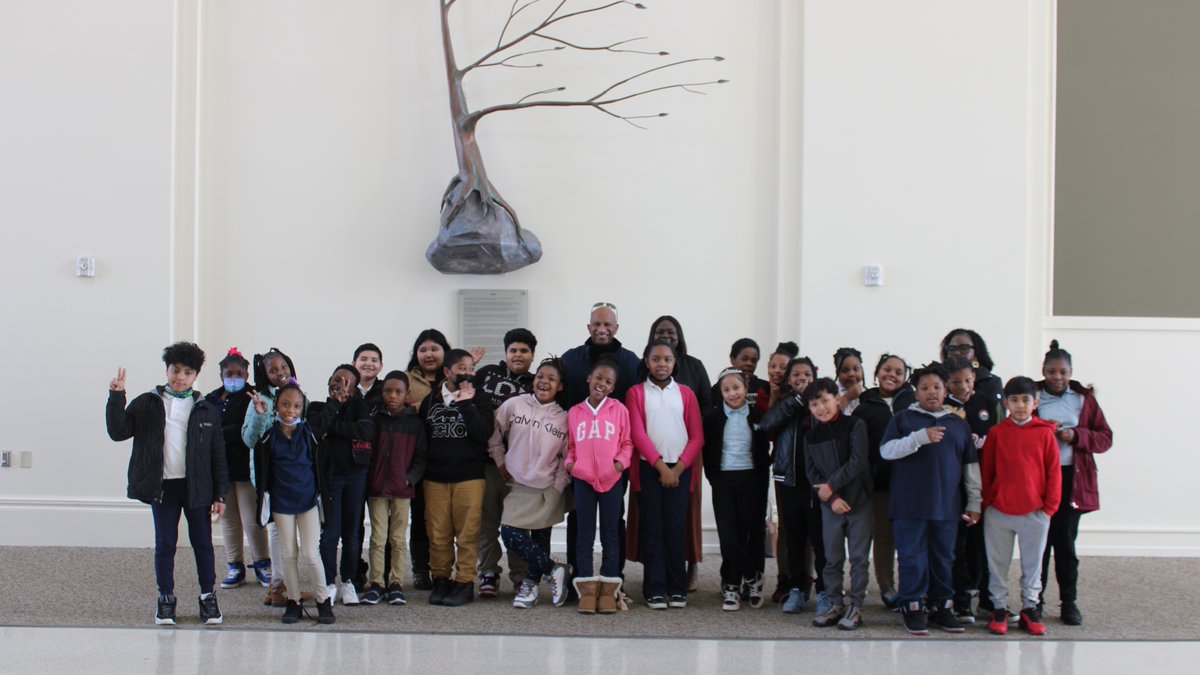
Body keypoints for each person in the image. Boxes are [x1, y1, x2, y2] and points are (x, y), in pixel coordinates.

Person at [105, 342, 228, 626]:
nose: (180, 377)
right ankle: (165, 598)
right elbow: (118, 431)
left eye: (188, 372)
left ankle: (207, 596)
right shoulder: (147, 403)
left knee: (203, 543)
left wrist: (220, 494)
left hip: (197, 487)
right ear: (167, 370)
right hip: (163, 487)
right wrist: (116, 396)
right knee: (165, 544)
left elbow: (218, 455)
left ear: (195, 376)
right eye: (175, 370)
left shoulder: (206, 409)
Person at [881, 362, 981, 636]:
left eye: (937, 387)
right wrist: (919, 438)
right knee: (912, 558)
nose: (931, 392)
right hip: (909, 506)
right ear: (916, 393)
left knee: (943, 558)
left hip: (946, 508)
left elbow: (970, 468)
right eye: (925, 388)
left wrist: (975, 502)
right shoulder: (903, 419)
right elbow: (886, 451)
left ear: (946, 390)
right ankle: (913, 605)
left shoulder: (958, 424)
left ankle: (941, 606)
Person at [562, 302, 640, 592]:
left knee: (613, 522)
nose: (602, 329)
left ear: (616, 328)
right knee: (579, 521)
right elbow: (563, 406)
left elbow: (632, 419)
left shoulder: (631, 362)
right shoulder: (571, 359)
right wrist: (571, 463)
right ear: (589, 326)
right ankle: (578, 580)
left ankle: (613, 580)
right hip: (582, 464)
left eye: (608, 324)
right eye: (597, 324)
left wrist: (620, 463)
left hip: (613, 464)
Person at [1036, 340, 1113, 626]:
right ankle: (1034, 601)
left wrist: (1077, 436)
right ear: (1043, 371)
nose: (1057, 377)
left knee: (1065, 542)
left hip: (1072, 478)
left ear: (1071, 373)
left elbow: (1105, 438)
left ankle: (1069, 602)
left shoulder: (1084, 399)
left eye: (1063, 372)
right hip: (1039, 477)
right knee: (1039, 542)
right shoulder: (1032, 396)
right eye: (1052, 372)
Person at [625, 340, 704, 609]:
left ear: (674, 362)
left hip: (680, 470)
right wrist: (661, 468)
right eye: (656, 359)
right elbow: (637, 434)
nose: (662, 364)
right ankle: (655, 588)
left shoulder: (686, 394)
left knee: (676, 528)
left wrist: (677, 469)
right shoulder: (636, 393)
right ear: (647, 362)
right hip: (649, 470)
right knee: (653, 528)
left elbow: (697, 437)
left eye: (667, 359)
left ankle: (676, 587)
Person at [981, 376, 1061, 637]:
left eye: (1026, 400)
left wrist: (1048, 509)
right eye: (1014, 400)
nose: (1020, 405)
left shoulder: (1044, 433)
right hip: (999, 512)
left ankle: (1030, 607)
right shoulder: (997, 433)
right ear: (1006, 403)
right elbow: (987, 471)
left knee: (1033, 564)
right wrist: (988, 503)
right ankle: (999, 608)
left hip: (1034, 513)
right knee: (997, 563)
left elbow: (1054, 472)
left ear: (1035, 403)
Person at [489, 357, 572, 609]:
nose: (544, 382)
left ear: (560, 386)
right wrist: (500, 461)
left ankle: (530, 587)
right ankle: (555, 569)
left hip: (547, 487)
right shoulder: (514, 404)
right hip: (517, 484)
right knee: (509, 533)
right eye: (540, 376)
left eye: (551, 379)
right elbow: (494, 434)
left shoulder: (565, 418)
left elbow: (567, 457)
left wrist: (557, 487)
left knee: (540, 540)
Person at [251, 383, 335, 624]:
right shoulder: (268, 438)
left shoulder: (311, 435)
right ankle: (294, 601)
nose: (291, 410)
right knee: (288, 555)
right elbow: (261, 467)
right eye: (285, 404)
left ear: (302, 408)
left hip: (308, 503)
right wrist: (261, 416)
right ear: (276, 406)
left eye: (297, 406)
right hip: (281, 505)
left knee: (311, 554)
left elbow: (324, 468)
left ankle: (323, 601)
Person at [419, 348, 494, 607]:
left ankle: (464, 582)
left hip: (469, 476)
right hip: (435, 477)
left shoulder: (480, 398)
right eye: (462, 368)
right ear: (447, 372)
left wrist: (465, 403)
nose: (468, 373)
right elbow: (423, 438)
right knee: (437, 532)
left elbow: (483, 433)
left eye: (472, 368)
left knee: (468, 532)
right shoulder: (431, 400)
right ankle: (441, 578)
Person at [644, 316, 711, 591]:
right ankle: (655, 571)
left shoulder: (694, 366)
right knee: (653, 517)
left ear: (679, 336)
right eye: (660, 331)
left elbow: (708, 404)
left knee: (686, 513)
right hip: (650, 457)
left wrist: (685, 429)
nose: (666, 335)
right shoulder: (642, 372)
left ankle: (690, 564)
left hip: (688, 452)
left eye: (671, 332)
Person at [803, 378, 872, 631]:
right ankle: (834, 603)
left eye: (825, 401)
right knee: (832, 558)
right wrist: (832, 498)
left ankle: (856, 607)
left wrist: (831, 486)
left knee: (859, 558)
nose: (821, 408)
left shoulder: (855, 425)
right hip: (830, 506)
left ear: (837, 399)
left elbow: (858, 461)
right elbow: (812, 473)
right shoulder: (811, 436)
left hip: (858, 501)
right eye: (814, 404)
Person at [473, 327, 538, 597]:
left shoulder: (537, 383)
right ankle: (488, 572)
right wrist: (467, 368)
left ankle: (520, 575)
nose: (518, 355)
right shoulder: (487, 374)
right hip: (485, 462)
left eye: (524, 351)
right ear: (506, 352)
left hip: (519, 467)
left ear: (532, 355)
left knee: (517, 523)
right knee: (487, 522)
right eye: (513, 350)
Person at [565, 360, 633, 615]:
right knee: (584, 533)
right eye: (598, 378)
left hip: (611, 480)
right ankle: (586, 589)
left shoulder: (619, 410)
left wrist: (618, 465)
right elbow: (571, 446)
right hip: (582, 480)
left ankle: (608, 589)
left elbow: (627, 443)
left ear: (613, 387)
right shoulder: (575, 412)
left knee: (610, 533)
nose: (601, 384)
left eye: (607, 381)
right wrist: (572, 466)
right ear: (589, 379)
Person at [847, 352, 914, 610]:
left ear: (906, 377)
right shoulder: (865, 407)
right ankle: (887, 587)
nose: (892, 375)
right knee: (884, 537)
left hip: (910, 484)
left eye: (898, 372)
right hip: (879, 484)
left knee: (910, 538)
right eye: (887, 369)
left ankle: (912, 588)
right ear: (877, 373)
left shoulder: (913, 403)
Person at [703, 368, 770, 611]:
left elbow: (763, 451)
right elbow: (707, 451)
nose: (732, 393)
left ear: (745, 389)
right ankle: (752, 576)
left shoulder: (757, 416)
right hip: (722, 481)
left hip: (749, 480)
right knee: (728, 535)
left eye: (736, 388)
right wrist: (713, 477)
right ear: (720, 392)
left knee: (743, 534)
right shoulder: (712, 418)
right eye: (727, 389)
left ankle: (733, 585)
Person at [760, 357, 824, 614]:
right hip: (788, 478)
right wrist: (796, 400)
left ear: (813, 377)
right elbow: (767, 425)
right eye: (796, 374)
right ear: (788, 379)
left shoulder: (821, 401)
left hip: (817, 482)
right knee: (794, 536)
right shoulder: (786, 402)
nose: (801, 378)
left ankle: (822, 590)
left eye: (806, 373)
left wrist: (811, 400)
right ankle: (795, 587)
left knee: (818, 537)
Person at [308, 364, 374, 606]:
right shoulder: (318, 407)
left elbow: (366, 431)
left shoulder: (361, 406)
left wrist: (333, 428)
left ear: (355, 390)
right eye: (337, 380)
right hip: (331, 477)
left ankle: (348, 581)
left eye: (347, 383)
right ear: (329, 381)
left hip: (356, 475)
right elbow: (316, 428)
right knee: (330, 533)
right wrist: (335, 405)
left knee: (352, 533)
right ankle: (328, 582)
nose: (340, 385)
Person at [361, 371, 427, 607]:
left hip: (402, 490)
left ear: (407, 394)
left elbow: (421, 458)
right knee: (378, 538)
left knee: (398, 539)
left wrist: (409, 479)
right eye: (388, 391)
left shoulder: (414, 424)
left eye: (398, 392)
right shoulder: (375, 420)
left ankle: (396, 583)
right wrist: (370, 478)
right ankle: (377, 583)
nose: (392, 396)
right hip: (377, 488)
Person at [206, 348, 270, 590]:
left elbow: (248, 429)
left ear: (246, 375)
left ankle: (262, 563)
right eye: (229, 374)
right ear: (221, 375)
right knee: (228, 519)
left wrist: (223, 433)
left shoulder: (253, 397)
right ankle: (235, 565)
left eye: (239, 374)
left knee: (252, 518)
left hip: (245, 467)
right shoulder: (211, 399)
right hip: (220, 468)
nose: (234, 378)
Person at [242, 348, 300, 607]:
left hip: (294, 475)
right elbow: (250, 439)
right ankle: (277, 586)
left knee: (293, 533)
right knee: (278, 531)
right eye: (273, 370)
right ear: (264, 375)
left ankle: (289, 584)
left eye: (284, 367)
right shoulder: (259, 401)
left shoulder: (297, 397)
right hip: (271, 477)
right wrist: (262, 414)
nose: (280, 373)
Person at [944, 356, 996, 621]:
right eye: (956, 382)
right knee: (958, 546)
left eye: (967, 380)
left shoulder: (987, 404)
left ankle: (988, 599)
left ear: (974, 378)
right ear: (947, 384)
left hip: (984, 484)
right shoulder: (944, 408)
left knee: (984, 544)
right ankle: (961, 600)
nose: (963, 386)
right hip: (955, 487)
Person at [403, 329, 452, 590]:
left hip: (449, 457)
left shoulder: (454, 380)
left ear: (445, 352)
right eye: (423, 350)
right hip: (418, 459)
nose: (429, 354)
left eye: (434, 349)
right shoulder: (406, 380)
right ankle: (420, 569)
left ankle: (443, 569)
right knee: (420, 514)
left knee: (445, 518)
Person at [715, 338, 770, 414]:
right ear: (732, 359)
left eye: (754, 361)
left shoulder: (766, 387)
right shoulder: (718, 389)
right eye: (744, 359)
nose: (749, 364)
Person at [353, 343, 385, 411]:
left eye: (374, 360)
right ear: (353, 364)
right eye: (363, 359)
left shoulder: (385, 390)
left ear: (381, 366)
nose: (368, 364)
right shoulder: (346, 389)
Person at [833, 347, 866, 415]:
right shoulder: (831, 392)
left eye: (856, 369)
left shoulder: (868, 394)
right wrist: (847, 398)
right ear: (837, 373)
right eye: (845, 370)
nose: (851, 374)